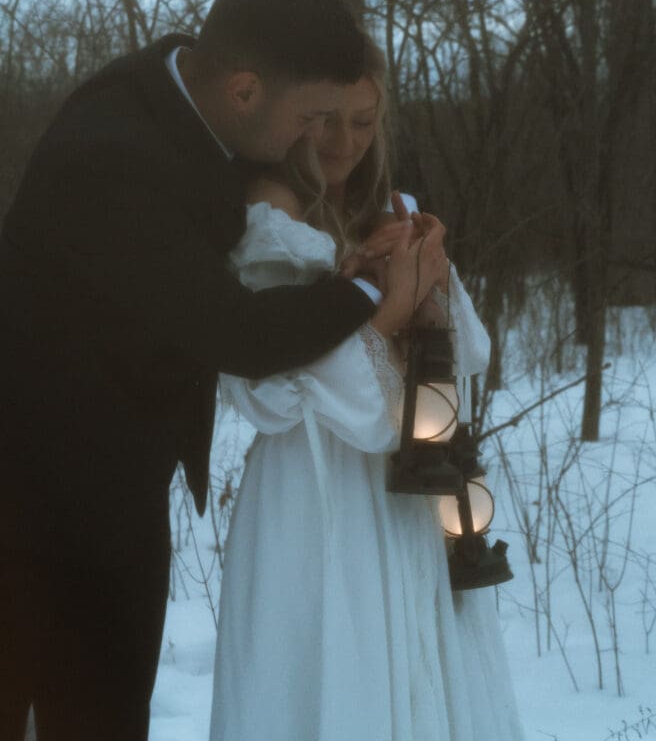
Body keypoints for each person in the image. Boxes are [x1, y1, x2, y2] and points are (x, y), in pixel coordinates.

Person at [0, 0, 446, 741]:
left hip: (110, 472)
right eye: (310, 116)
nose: (317, 138)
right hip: (30, 491)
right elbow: (236, 334)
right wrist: (377, 293)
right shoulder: (110, 160)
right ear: (243, 90)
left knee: (103, 709)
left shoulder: (178, 84)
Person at [209, 38, 525, 741]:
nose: (342, 140)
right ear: (295, 113)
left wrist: (428, 275)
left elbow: (468, 352)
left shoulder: (392, 212)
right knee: (329, 682)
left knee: (414, 687)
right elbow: (326, 404)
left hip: (408, 502)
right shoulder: (264, 227)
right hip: (314, 501)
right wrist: (386, 310)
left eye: (362, 120)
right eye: (325, 118)